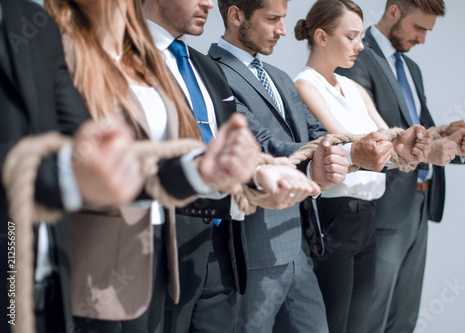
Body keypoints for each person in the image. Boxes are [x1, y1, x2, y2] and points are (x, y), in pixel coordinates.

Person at [206, 0, 432, 331]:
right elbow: (265, 145)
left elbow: (317, 136)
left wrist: (392, 147)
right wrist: (356, 154)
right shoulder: (213, 74)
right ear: (236, 15)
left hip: (301, 243)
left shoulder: (279, 78)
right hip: (254, 251)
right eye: (272, 19)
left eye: (283, 19)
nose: (283, 30)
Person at [44, 0, 264, 332]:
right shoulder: (59, 50)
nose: (208, 2)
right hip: (93, 253)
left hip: (162, 238)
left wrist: (223, 172)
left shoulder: (149, 62)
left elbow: (157, 159)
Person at [142, 0, 321, 332]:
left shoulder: (202, 67)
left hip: (225, 240)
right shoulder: (121, 58)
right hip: (160, 239)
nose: (208, 2)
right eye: (272, 19)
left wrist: (256, 176)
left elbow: (238, 149)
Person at [336, 0, 465, 332]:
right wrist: (426, 151)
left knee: (404, 317)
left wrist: (462, 141)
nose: (423, 39)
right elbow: (364, 140)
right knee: (369, 319)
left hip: (418, 206)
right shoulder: (356, 60)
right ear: (393, 11)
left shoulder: (411, 69)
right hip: (381, 211)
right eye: (419, 28)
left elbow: (425, 132)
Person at [0, 1, 145, 332]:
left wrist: (199, 169)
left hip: (49, 291)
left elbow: (86, 144)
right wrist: (68, 174)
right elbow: (71, 165)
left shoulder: (33, 22)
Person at [293, 1, 431, 332]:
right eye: (352, 36)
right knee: (335, 323)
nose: (361, 45)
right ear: (322, 37)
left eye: (360, 36)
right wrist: (391, 146)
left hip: (367, 216)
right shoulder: (304, 85)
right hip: (334, 217)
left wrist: (411, 142)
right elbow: (345, 144)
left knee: (359, 325)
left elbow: (389, 143)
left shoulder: (353, 88)